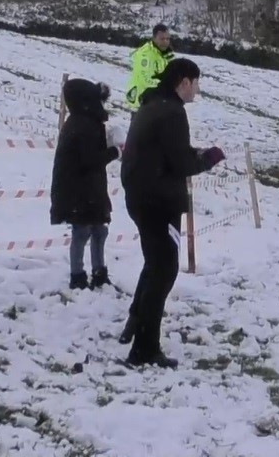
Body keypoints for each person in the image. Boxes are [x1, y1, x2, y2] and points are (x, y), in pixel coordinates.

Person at [117, 58, 225, 367]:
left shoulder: (152, 106)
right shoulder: (173, 113)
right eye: (196, 83)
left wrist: (194, 152)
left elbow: (166, 152)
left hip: (141, 197)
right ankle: (144, 349)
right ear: (184, 82)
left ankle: (135, 325)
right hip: (159, 202)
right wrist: (210, 158)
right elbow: (181, 165)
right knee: (164, 269)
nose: (198, 90)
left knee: (155, 264)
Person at [51, 79, 121, 290]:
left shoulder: (84, 122)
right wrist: (115, 151)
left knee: (99, 229)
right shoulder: (83, 125)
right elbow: (89, 159)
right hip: (79, 190)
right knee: (82, 232)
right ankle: (78, 276)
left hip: (89, 188)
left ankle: (99, 273)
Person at [124, 24, 174, 109]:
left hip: (156, 100)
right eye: (162, 39)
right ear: (154, 38)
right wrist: (167, 87)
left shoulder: (166, 54)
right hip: (142, 101)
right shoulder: (146, 55)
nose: (165, 42)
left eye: (168, 39)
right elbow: (146, 79)